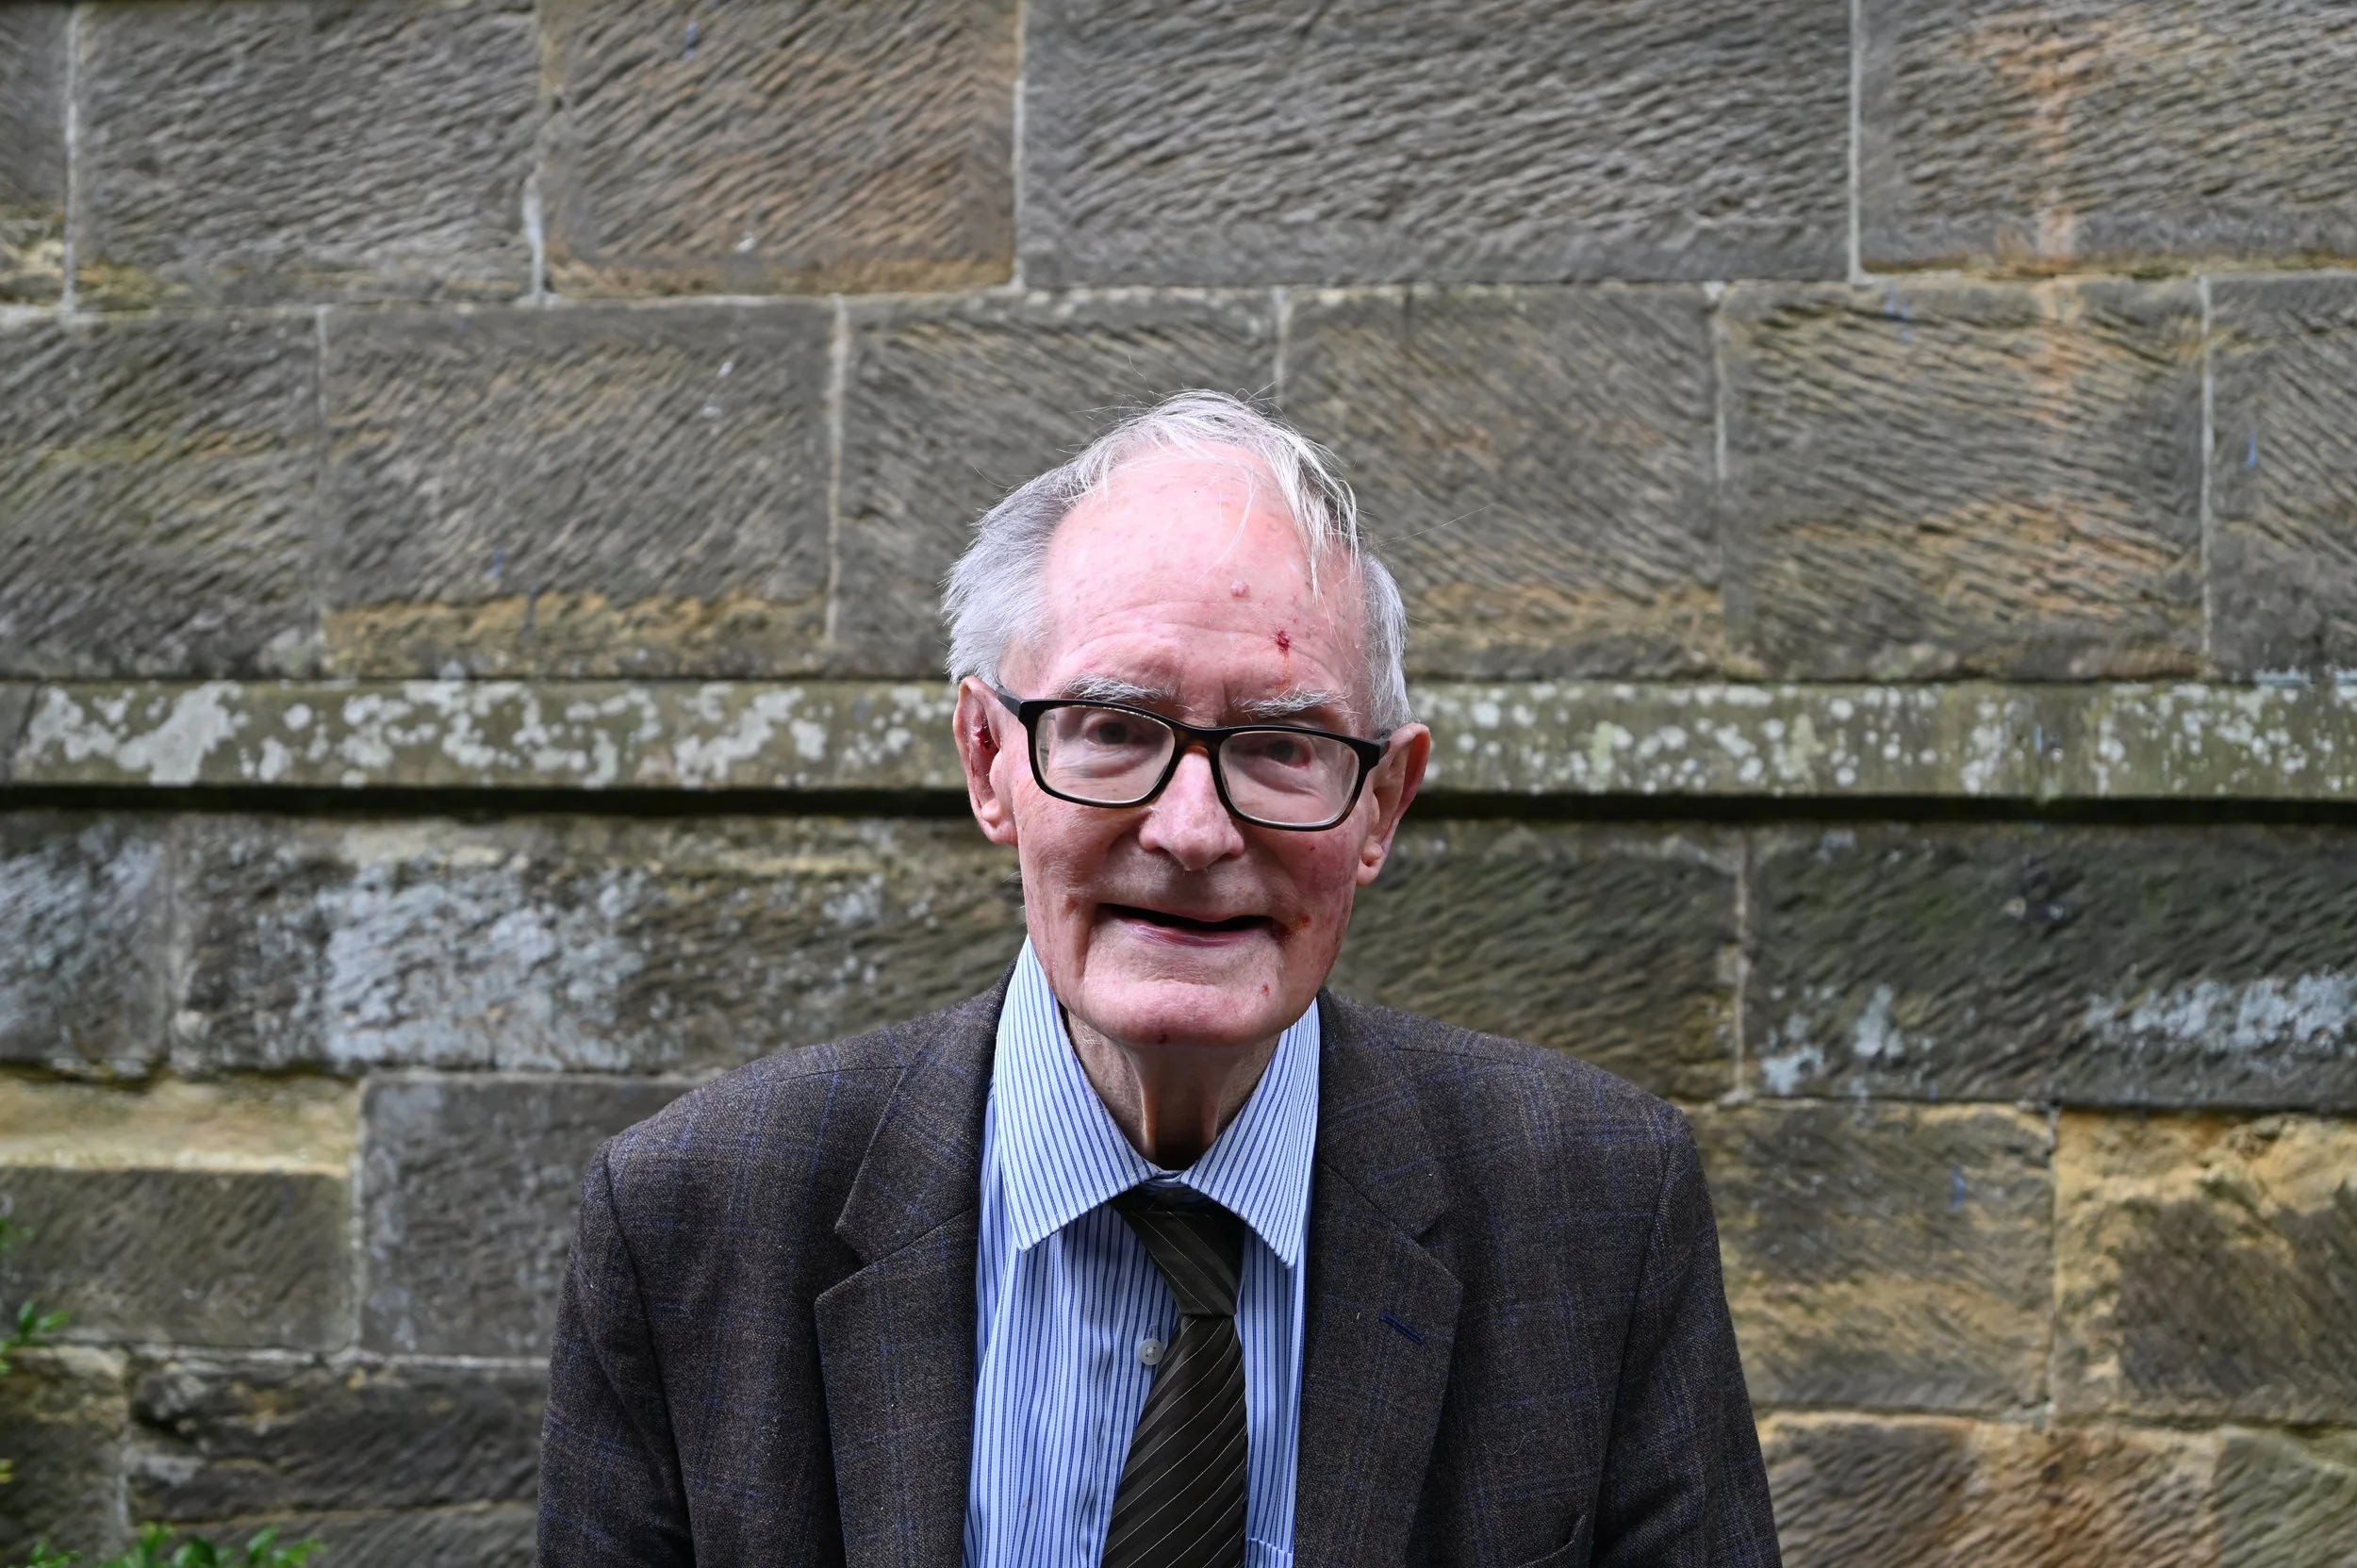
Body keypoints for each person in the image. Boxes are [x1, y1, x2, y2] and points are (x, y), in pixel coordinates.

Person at [536, 392, 1780, 1568]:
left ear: (1381, 805)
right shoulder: (691, 1224)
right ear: (989, 760)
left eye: (1284, 742)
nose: (1192, 829)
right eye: (1117, 727)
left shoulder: (1602, 1210)